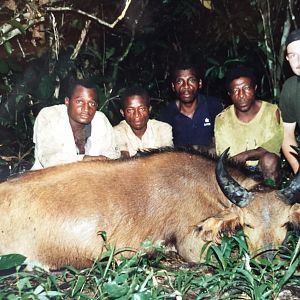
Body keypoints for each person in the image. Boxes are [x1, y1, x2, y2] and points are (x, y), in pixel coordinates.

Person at [214, 66, 284, 185]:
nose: (241, 95)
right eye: (236, 90)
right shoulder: (222, 119)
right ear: (229, 94)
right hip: (237, 171)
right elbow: (225, 156)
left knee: (269, 160)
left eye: (246, 88)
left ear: (255, 88)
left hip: (265, 169)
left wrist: (246, 155)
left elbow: (274, 145)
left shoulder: (271, 112)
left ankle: (271, 195)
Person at [31, 78, 120, 169]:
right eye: (79, 102)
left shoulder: (101, 120)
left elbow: (112, 156)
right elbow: (49, 159)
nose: (86, 109)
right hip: (49, 179)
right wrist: (86, 159)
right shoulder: (49, 116)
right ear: (67, 102)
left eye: (91, 103)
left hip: (91, 178)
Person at [158, 60, 223, 150]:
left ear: (199, 83)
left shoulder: (213, 106)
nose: (186, 86)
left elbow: (222, 142)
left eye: (191, 80)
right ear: (173, 86)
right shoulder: (166, 115)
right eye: (180, 81)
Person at [114, 86, 173, 157]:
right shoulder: (117, 131)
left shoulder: (163, 129)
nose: (137, 115)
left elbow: (167, 157)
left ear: (149, 109)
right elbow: (123, 157)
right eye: (130, 110)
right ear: (122, 113)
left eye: (142, 109)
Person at [279, 29, 300, 174]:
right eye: (293, 55)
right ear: (287, 59)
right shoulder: (290, 88)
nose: (299, 61)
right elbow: (287, 135)